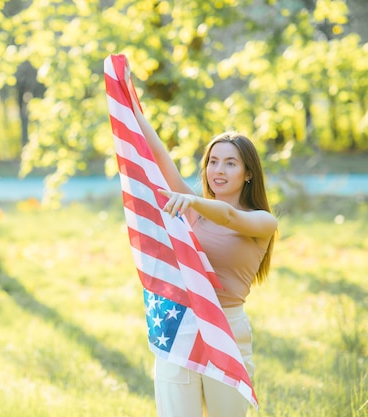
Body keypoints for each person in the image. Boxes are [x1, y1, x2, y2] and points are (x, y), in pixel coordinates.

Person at [125, 68, 278, 417]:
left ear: (248, 173)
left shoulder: (262, 221)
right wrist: (132, 108)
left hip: (227, 328)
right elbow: (161, 159)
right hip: (180, 325)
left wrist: (192, 201)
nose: (217, 170)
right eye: (212, 161)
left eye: (230, 163)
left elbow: (230, 217)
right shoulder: (192, 207)